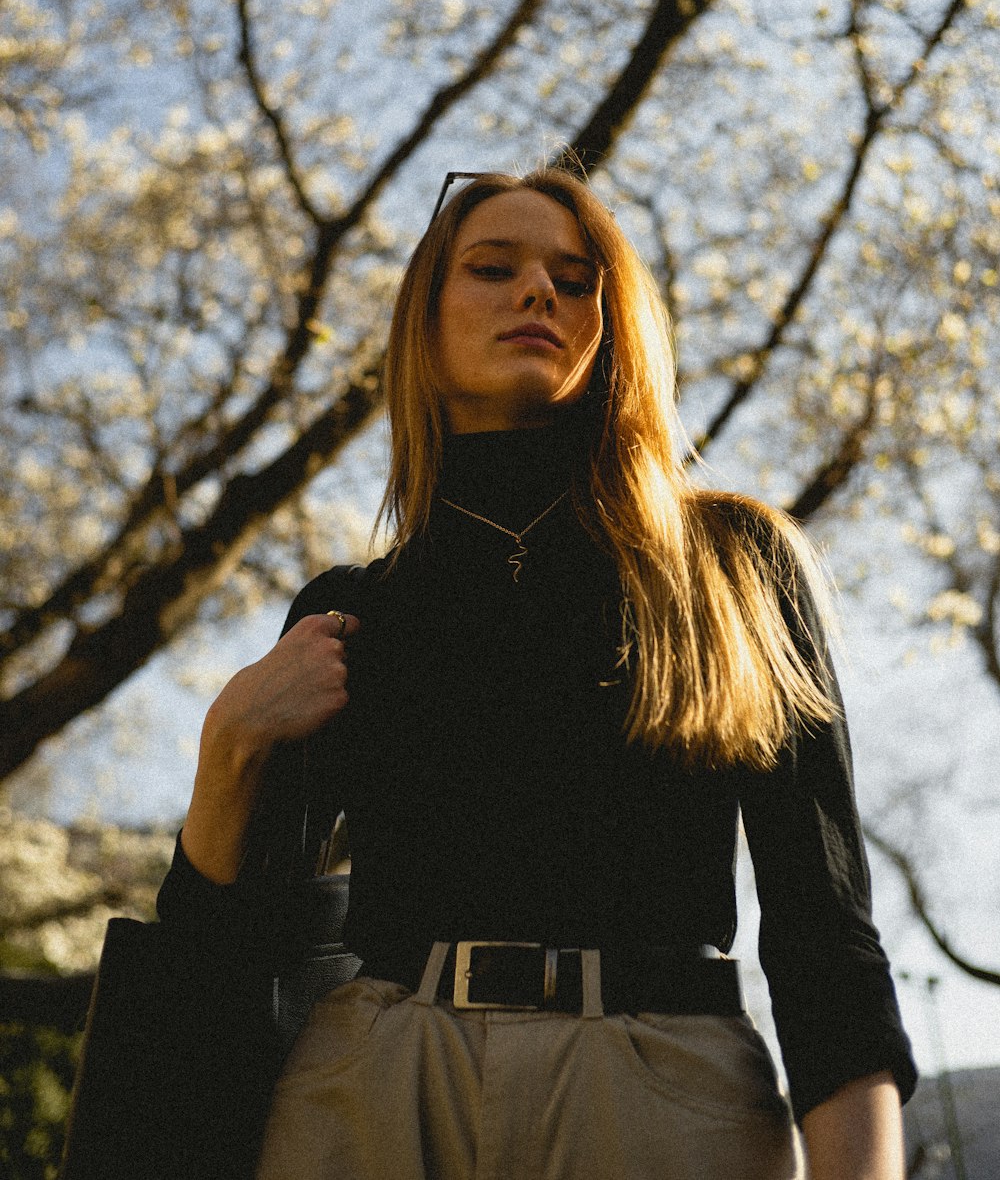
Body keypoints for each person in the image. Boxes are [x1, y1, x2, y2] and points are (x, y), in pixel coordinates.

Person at [158, 167, 917, 1179]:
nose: (538, 293)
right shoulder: (350, 612)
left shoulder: (732, 566)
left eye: (574, 276)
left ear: (610, 328)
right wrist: (229, 748)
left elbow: (825, 927)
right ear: (422, 323)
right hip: (373, 1089)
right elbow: (225, 955)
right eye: (493, 267)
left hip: (661, 1088)